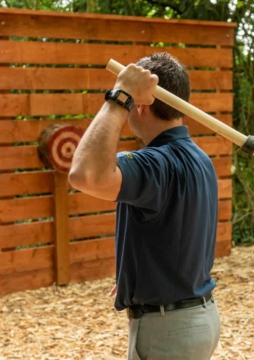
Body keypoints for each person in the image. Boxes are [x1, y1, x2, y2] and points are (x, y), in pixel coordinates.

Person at [69, 52, 221, 360]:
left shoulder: (154, 163)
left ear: (140, 103)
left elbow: (84, 174)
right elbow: (173, 234)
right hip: (196, 320)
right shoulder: (199, 159)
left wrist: (118, 96)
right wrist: (136, 277)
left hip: (168, 331)